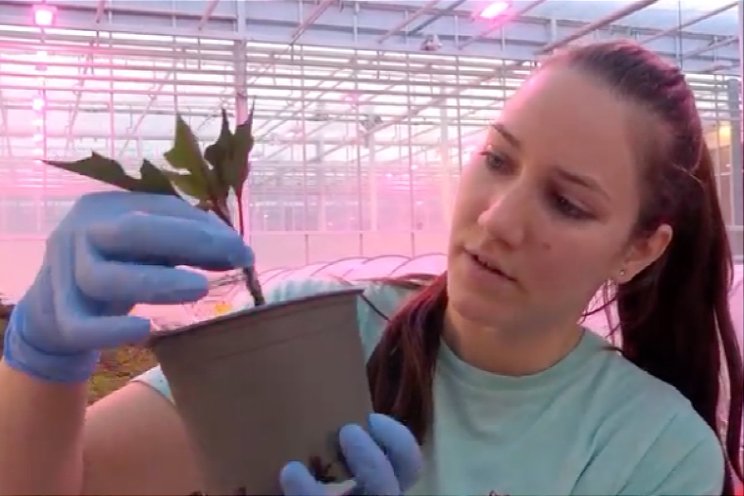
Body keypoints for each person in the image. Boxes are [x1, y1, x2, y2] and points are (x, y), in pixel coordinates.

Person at [0, 39, 742, 496]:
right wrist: (40, 362)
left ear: (638, 249)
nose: (497, 217)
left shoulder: (653, 450)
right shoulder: (311, 334)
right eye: (496, 160)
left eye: (568, 204)